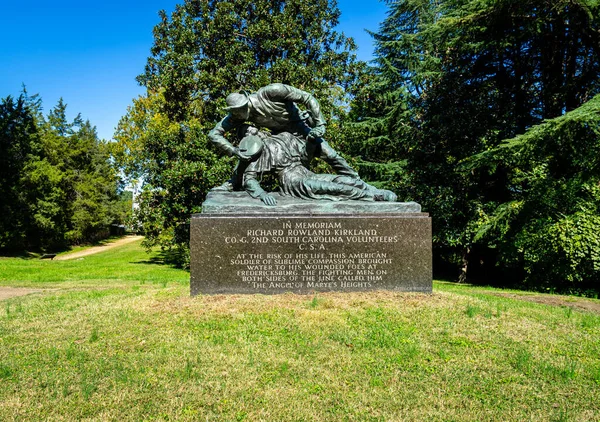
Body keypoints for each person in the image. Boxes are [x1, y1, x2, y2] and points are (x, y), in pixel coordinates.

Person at [208, 83, 360, 188]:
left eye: (236, 111)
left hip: (300, 128)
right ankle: (234, 182)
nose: (234, 116)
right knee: (251, 149)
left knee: (331, 155)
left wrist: (320, 124)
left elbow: (307, 98)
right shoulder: (238, 115)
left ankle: (358, 183)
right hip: (281, 139)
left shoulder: (272, 91)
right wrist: (233, 150)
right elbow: (214, 134)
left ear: (244, 105)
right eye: (233, 112)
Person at [237, 131, 397, 205]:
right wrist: (262, 194)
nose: (250, 131)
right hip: (293, 180)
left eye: (250, 127)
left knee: (343, 179)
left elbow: (305, 157)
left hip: (305, 171)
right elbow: (249, 178)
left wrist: (310, 142)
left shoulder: (286, 137)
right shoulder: (258, 151)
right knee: (332, 188)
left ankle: (374, 191)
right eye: (245, 132)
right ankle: (372, 198)